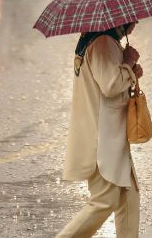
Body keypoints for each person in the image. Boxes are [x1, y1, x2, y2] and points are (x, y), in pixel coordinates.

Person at [57, 22, 145, 238]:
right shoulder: (103, 42)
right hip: (103, 140)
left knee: (128, 198)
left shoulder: (99, 40)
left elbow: (110, 80)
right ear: (121, 18)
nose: (136, 21)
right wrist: (129, 62)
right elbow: (111, 85)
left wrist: (130, 72)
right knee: (104, 200)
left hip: (112, 137)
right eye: (132, 17)